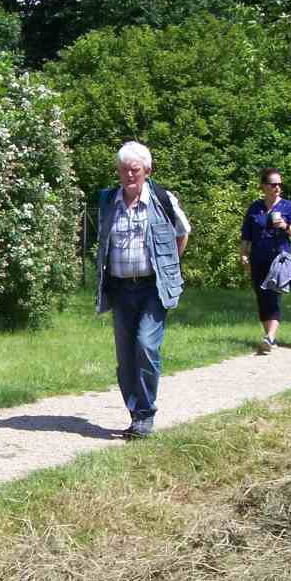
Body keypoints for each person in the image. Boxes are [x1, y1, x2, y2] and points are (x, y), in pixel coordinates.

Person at [92, 141, 189, 439]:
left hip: (152, 288)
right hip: (120, 289)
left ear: (147, 170)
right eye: (123, 170)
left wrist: (169, 266)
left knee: (146, 346)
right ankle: (135, 413)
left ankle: (146, 413)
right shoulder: (109, 201)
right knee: (126, 355)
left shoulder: (162, 199)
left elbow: (182, 233)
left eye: (134, 170)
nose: (128, 175)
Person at [241, 168, 291, 353]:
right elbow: (246, 234)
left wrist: (285, 225)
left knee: (273, 294)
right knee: (261, 296)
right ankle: (269, 338)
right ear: (264, 186)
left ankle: (270, 337)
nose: (277, 188)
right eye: (273, 184)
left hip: (280, 257)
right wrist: (243, 254)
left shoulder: (288, 207)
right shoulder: (255, 208)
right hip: (258, 257)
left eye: (279, 184)